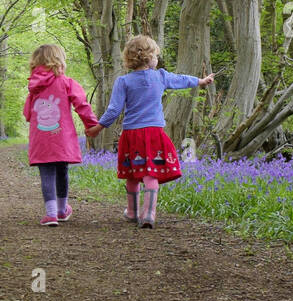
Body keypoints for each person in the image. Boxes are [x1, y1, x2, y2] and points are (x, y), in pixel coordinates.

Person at [96, 35, 214, 228]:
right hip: (154, 133)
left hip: (132, 134)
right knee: (151, 174)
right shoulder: (160, 76)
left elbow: (114, 110)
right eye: (155, 56)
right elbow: (181, 80)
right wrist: (200, 81)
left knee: (133, 174)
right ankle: (148, 214)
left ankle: (132, 212)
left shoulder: (123, 82)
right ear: (147, 58)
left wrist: (99, 126)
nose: (157, 60)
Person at [22, 43, 102, 226]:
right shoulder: (67, 82)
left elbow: (27, 114)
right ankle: (61, 209)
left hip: (41, 139)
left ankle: (50, 214)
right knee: (62, 171)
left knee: (47, 174)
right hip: (62, 138)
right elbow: (82, 104)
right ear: (59, 60)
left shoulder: (34, 88)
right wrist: (92, 125)